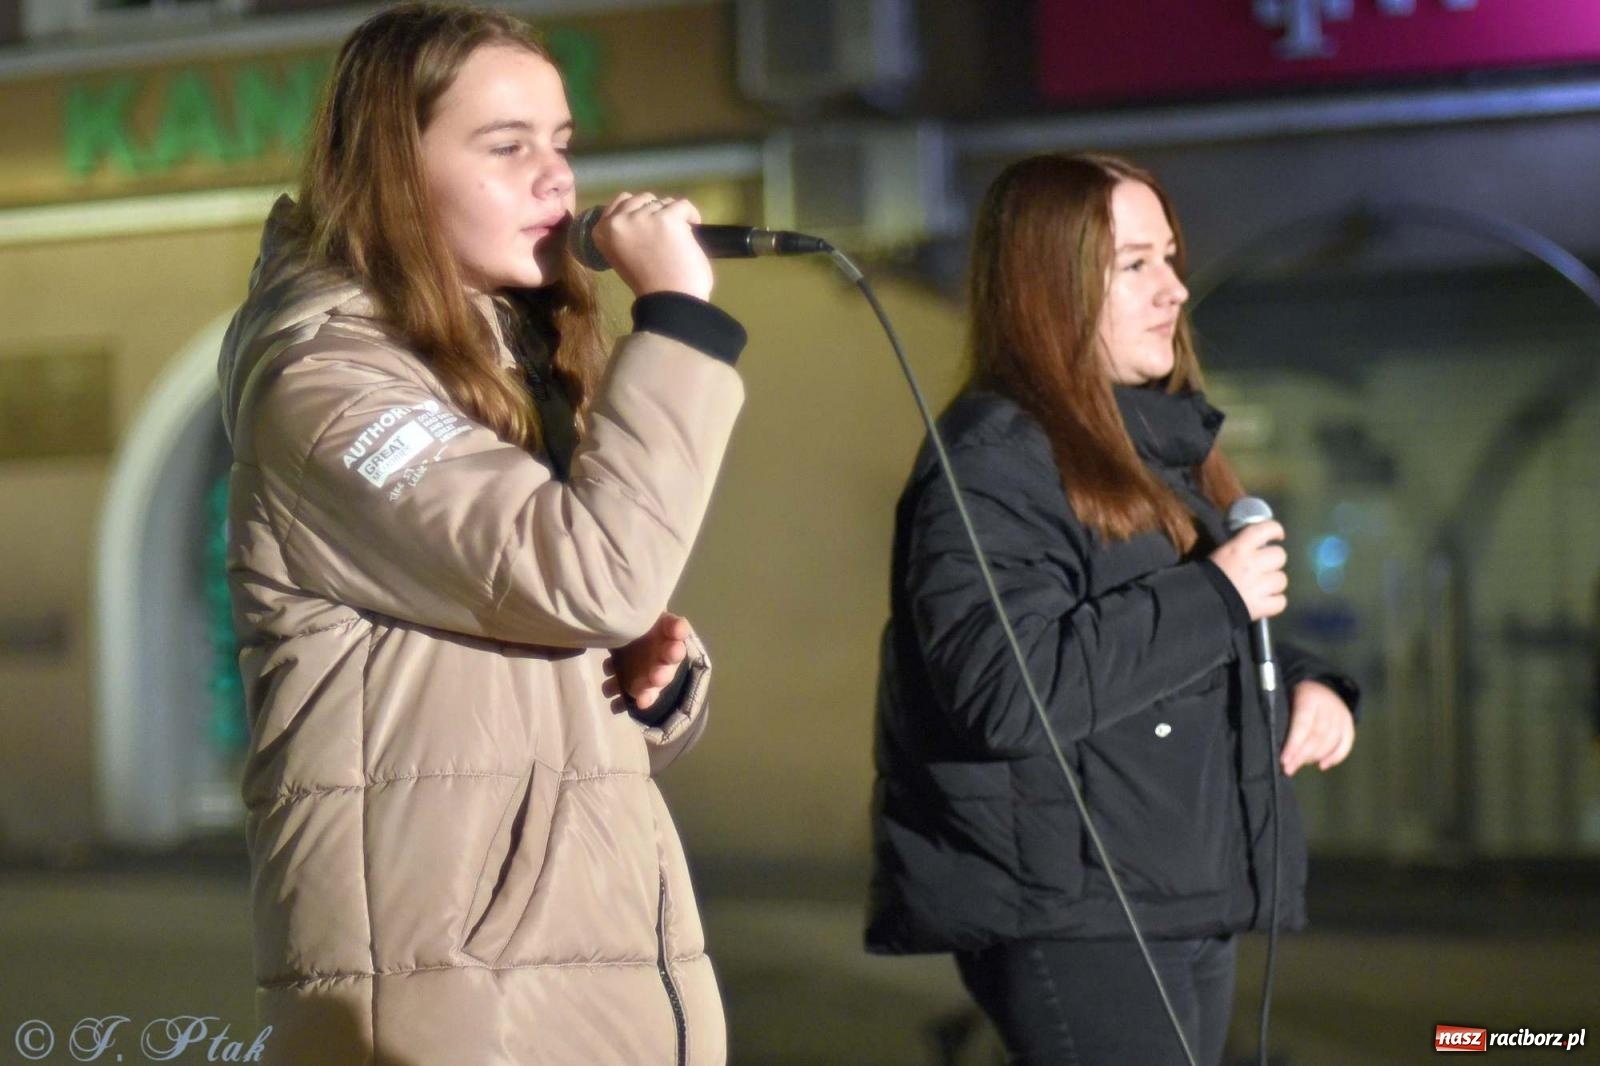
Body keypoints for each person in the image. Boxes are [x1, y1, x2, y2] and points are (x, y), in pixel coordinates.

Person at [218, 5, 744, 1063]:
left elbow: (574, 622)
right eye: (508, 148)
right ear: (390, 172)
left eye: (561, 144)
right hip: (450, 996)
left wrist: (652, 686)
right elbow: (589, 574)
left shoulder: (510, 361)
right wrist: (681, 319)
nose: (556, 181)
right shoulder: (328, 386)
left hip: (586, 964)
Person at [865, 153, 1360, 1066]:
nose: (1175, 290)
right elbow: (1009, 690)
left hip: (1180, 890)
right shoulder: (995, 459)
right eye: (1135, 265)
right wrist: (1216, 592)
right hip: (1080, 913)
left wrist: (1305, 682)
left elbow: (1168, 643)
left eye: (1169, 258)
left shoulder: (1156, 447)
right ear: (1047, 287)